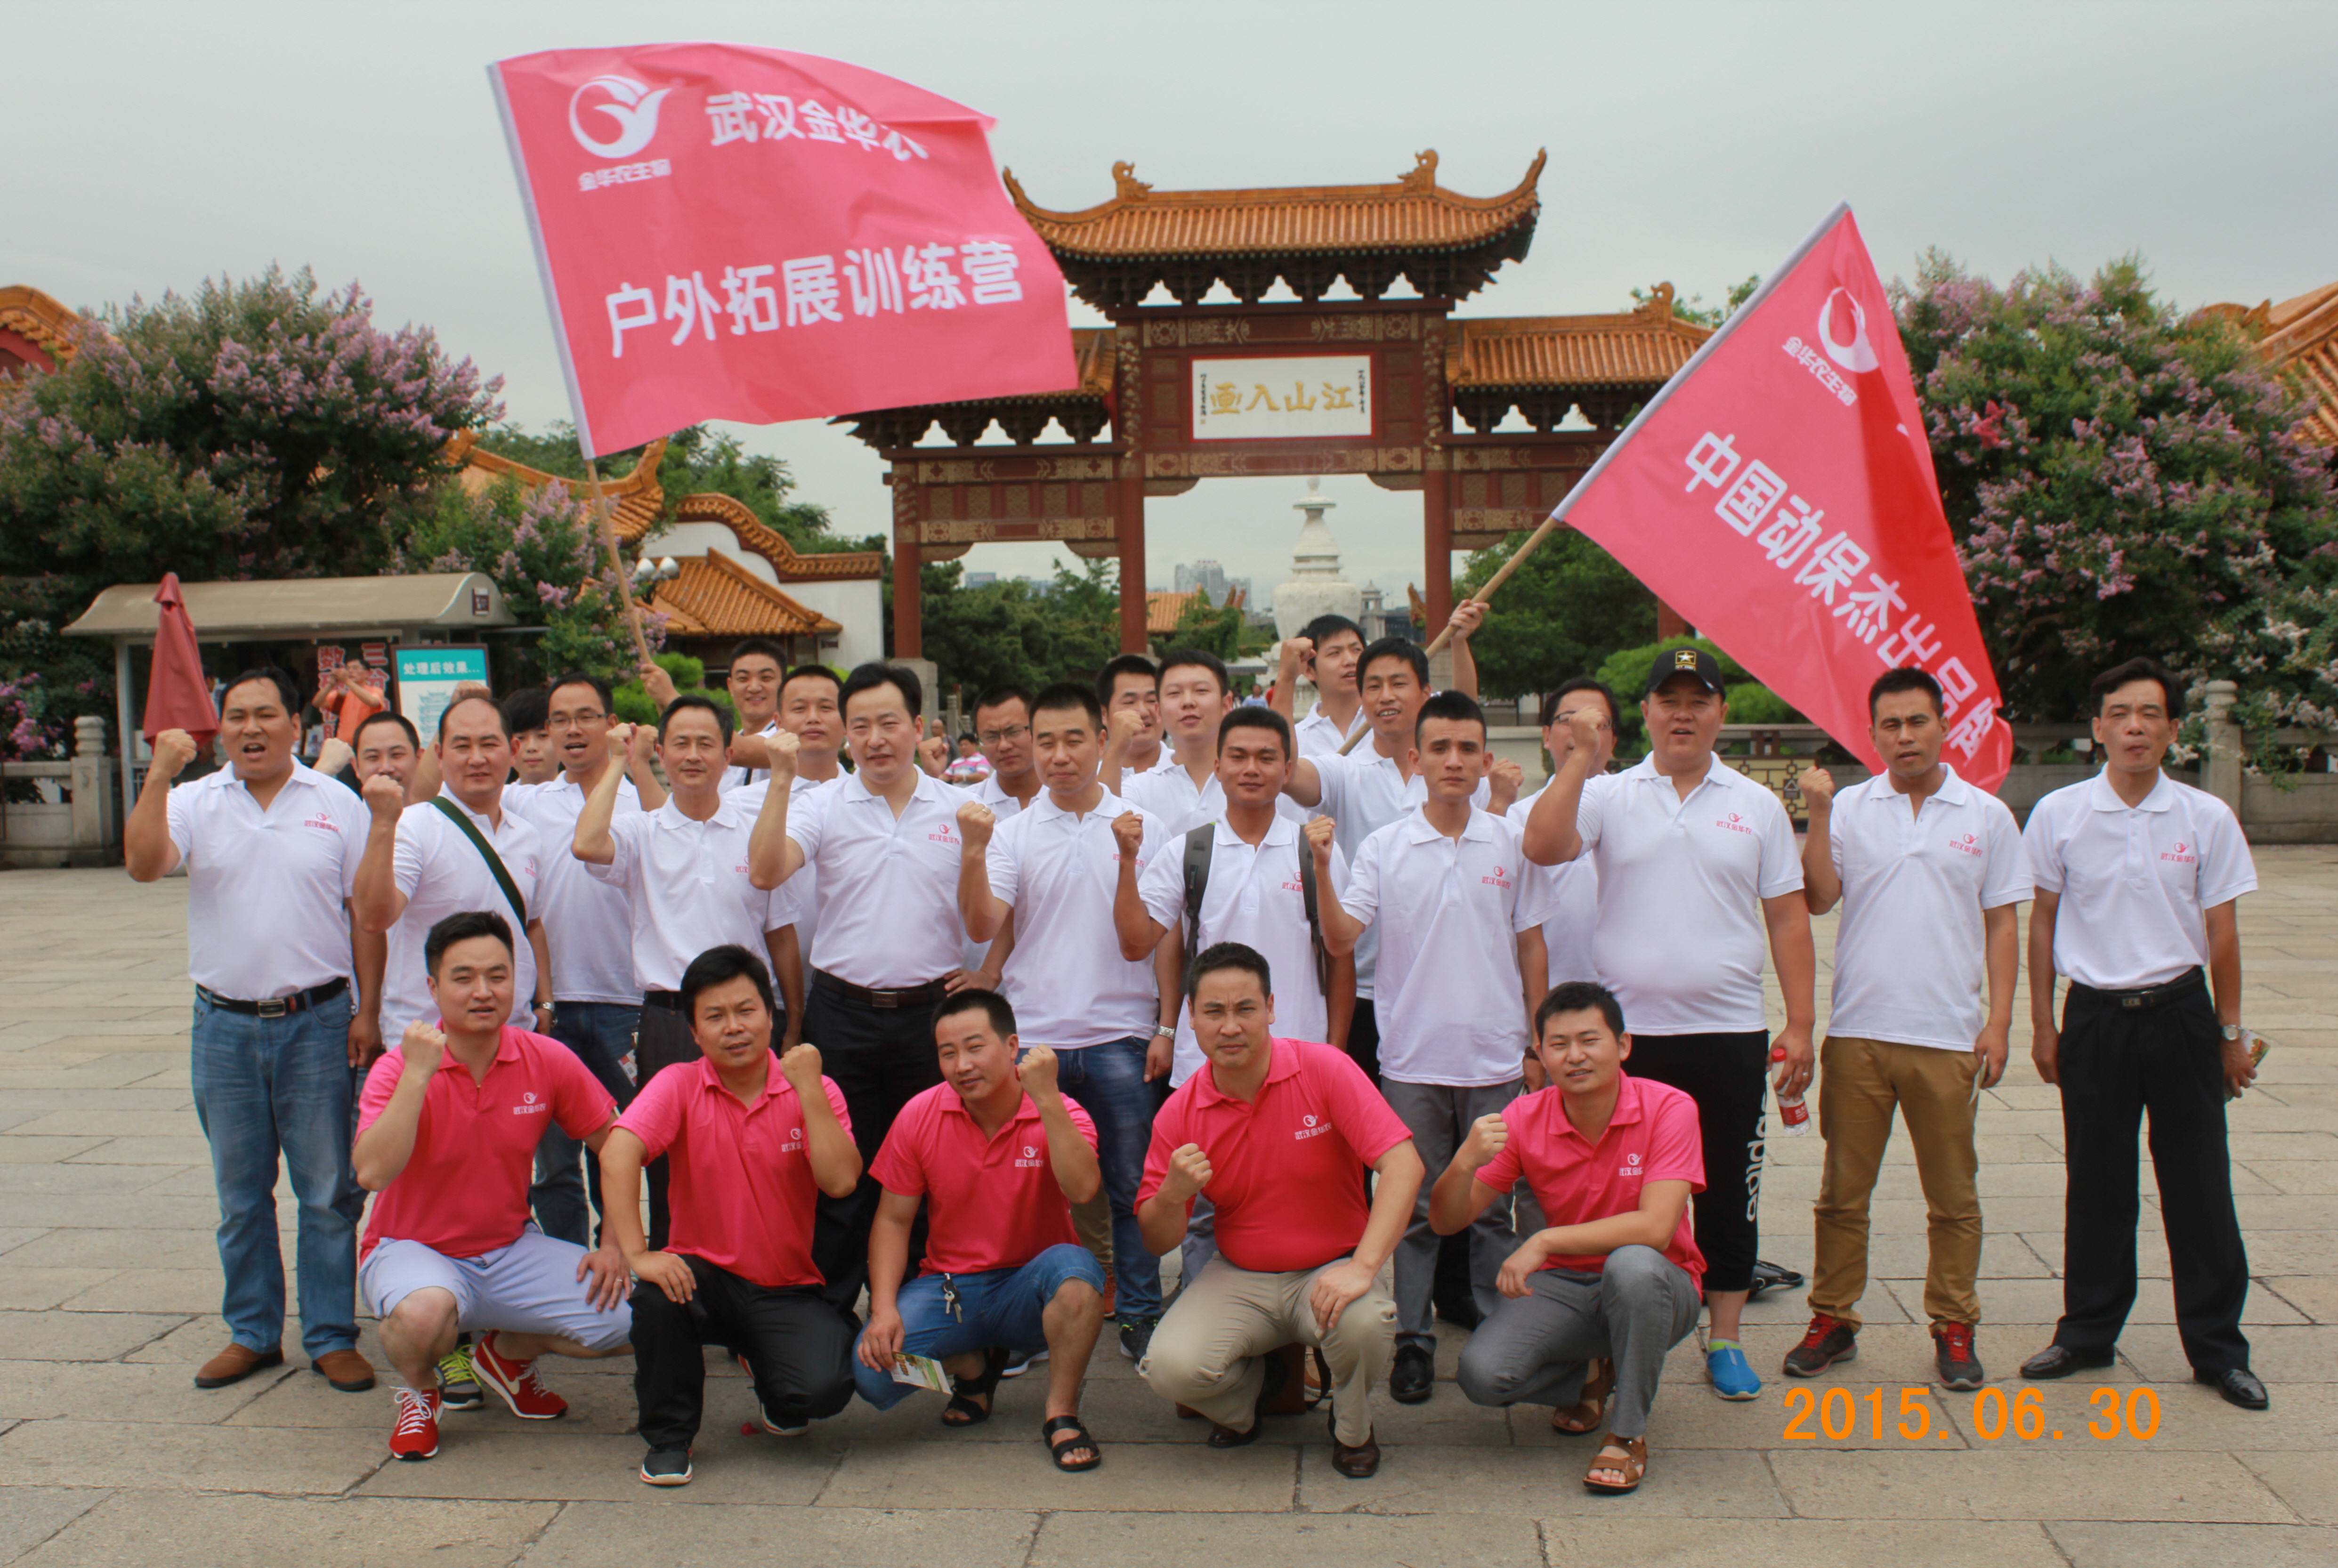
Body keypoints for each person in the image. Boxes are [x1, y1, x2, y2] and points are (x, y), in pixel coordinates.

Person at [1520, 646, 1818, 1400]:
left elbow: (1787, 917)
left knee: (1729, 1190)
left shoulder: (1755, 804)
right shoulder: (1608, 794)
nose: (1683, 714)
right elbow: (1542, 846)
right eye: (1668, 700)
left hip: (1729, 1031)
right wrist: (1577, 759)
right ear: (1646, 711)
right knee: (1619, 1196)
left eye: (1698, 700)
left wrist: (1802, 1021)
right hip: (1631, 1039)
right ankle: (1612, 1339)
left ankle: (1726, 1337)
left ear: (1720, 711)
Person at [2018, 658, 2265, 1410]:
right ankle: (2088, 1332)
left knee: (2199, 1183)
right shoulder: (2060, 813)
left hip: (2182, 1013)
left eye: (2150, 713)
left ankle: (2218, 1348)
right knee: (2097, 1182)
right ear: (2097, 727)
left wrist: (2230, 1032)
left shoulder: (2204, 817)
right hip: (2094, 1016)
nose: (2135, 727)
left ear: (2173, 729)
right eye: (2120, 713)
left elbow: (2222, 932)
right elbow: (2043, 921)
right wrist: (2043, 1023)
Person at [124, 667, 375, 1395]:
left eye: (267, 714)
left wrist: (368, 1011)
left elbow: (366, 914)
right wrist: (159, 773)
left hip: (318, 1021)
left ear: (298, 725)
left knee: (327, 1190)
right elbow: (143, 866)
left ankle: (331, 1333)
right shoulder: (192, 800)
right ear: (221, 729)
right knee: (240, 1193)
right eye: (236, 716)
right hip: (224, 1027)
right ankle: (254, 1332)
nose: (251, 728)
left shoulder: (337, 802)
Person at [1788, 668, 2029, 1390]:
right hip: (1859, 1030)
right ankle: (1832, 1316)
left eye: (1917, 721)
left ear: (1944, 725)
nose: (1904, 736)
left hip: (1948, 1034)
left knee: (1953, 1196)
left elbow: (2002, 923)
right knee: (1841, 1192)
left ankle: (1954, 1322)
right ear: (1871, 734)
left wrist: (1999, 1021)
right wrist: (1819, 815)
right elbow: (1818, 898)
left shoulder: (1986, 815)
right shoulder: (1852, 807)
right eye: (1890, 725)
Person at [1313, 689, 1551, 1404]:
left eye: (1467, 748)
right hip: (1412, 1058)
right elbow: (1341, 939)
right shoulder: (1384, 847)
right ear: (1415, 759)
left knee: (1491, 1208)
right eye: (1439, 748)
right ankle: (1412, 1337)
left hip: (1495, 1056)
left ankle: (1501, 1332)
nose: (1453, 760)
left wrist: (1536, 1040)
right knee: (1413, 1208)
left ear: (1485, 759)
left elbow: (1531, 945)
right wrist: (1322, 867)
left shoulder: (1509, 843)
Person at [744, 663, 992, 1311]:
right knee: (838, 1173)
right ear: (846, 735)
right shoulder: (822, 804)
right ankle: (827, 1319)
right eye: (861, 726)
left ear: (919, 726)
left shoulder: (960, 810)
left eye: (889, 723)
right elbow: (765, 872)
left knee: (932, 1167)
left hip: (930, 1019)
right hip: (843, 1013)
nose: (876, 739)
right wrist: (780, 778)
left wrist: (973, 851)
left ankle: (928, 1313)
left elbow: (979, 924)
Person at [352, 911, 633, 1462]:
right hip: (411, 1249)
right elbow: (372, 1173)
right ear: (433, 987)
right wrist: (418, 1075)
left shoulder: (545, 1057)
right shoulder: (399, 1067)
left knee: (632, 1319)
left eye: (498, 976)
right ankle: (421, 1391)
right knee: (424, 1315)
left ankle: (504, 1357)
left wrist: (615, 1243)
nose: (483, 991)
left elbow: (618, 1144)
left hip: (508, 1248)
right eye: (463, 978)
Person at [1136, 943, 1423, 1479]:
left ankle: (1353, 1430)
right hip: (1240, 1273)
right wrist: (1173, 1194)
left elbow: (1404, 1166)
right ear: (1191, 1017)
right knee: (1169, 1370)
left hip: (1331, 1267)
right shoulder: (1181, 1111)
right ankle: (1252, 1401)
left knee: (1367, 1323)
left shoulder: (1323, 1069)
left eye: (1245, 1008)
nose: (1230, 1027)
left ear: (1270, 1008)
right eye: (1214, 1011)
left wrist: (1363, 1267)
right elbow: (1156, 1240)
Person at [959, 683, 1173, 1362]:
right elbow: (982, 924)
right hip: (1035, 1040)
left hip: (1120, 1034)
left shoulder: (1144, 825)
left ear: (1102, 740)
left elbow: (1167, 937)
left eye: (1073, 739)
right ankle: (1029, 1321)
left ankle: (1139, 1315)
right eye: (1044, 741)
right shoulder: (1012, 833)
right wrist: (972, 852)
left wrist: (1167, 1026)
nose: (1058, 755)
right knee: (1027, 1189)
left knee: (1131, 1185)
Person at [600, 944, 862, 1484]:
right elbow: (618, 1152)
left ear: (771, 1016)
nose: (734, 1028)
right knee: (656, 1298)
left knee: (822, 1391)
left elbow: (840, 1181)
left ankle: (765, 1367)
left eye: (746, 1011)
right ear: (695, 1033)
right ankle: (670, 1438)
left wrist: (809, 1090)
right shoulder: (679, 1083)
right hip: (701, 1277)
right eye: (715, 1017)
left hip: (785, 1284)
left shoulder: (813, 1088)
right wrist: (638, 1253)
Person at [1115, 705, 1358, 1281]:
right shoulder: (1188, 852)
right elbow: (1137, 943)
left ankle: (1302, 1315)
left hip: (1299, 1062)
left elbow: (1339, 955)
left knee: (1304, 1197)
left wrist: (1335, 1049)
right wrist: (1126, 863)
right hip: (1208, 1066)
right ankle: (1209, 1313)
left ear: (1287, 769)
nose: (1252, 769)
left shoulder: (1313, 849)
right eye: (1240, 757)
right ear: (1219, 766)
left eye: (1267, 758)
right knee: (1206, 1204)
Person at [1436, 982, 1706, 1495]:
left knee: (1632, 1265)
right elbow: (1448, 1221)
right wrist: (1463, 1162)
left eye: (1589, 1040)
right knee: (1482, 1376)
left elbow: (1655, 1228)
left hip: (1659, 1286)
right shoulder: (1524, 1116)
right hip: (1565, 1284)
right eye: (1558, 1045)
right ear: (1540, 1054)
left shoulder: (1669, 1107)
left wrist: (1544, 1241)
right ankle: (1590, 1374)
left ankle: (1627, 1434)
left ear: (1622, 1045)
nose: (1575, 1056)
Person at [573, 697, 801, 1244]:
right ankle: (672, 1269)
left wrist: (794, 1019)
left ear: (728, 755)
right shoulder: (641, 832)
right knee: (669, 1157)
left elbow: (780, 932)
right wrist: (617, 760)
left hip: (750, 1017)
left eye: (706, 744)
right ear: (661, 753)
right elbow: (587, 844)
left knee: (756, 1153)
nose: (693, 756)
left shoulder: (756, 830)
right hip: (670, 1021)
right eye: (680, 744)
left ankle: (758, 1268)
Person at [852, 989, 1109, 1471]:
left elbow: (1083, 1189)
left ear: (1012, 1047)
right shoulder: (920, 1114)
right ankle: (971, 1368)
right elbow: (892, 1220)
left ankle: (1061, 1413)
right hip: (951, 1288)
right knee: (870, 1374)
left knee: (1077, 1273)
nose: (962, 1065)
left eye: (975, 1047)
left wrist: (1047, 1099)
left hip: (1032, 1287)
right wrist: (883, 1309)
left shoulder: (1060, 1111)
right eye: (948, 1053)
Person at [1282, 619, 1500, 1086]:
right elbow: (1286, 771)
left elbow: (1468, 711)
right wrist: (1285, 679)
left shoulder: (1458, 776)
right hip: (1361, 982)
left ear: (1426, 693)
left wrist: (1461, 643)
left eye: (1399, 684)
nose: (1386, 697)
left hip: (1447, 984)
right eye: (1374, 686)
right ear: (1361, 698)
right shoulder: (1344, 772)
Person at [505, 672, 665, 1251]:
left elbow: (671, 833)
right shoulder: (524, 800)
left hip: (627, 1003)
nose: (573, 730)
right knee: (553, 1159)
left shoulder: (638, 794)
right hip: (550, 1007)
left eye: (586, 717)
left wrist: (635, 762)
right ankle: (564, 1267)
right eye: (560, 720)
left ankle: (622, 1258)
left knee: (629, 1144)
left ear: (611, 724)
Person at [353, 694, 553, 1046]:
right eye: (462, 746)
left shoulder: (527, 836)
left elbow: (532, 925)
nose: (477, 758)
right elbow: (373, 918)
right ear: (440, 755)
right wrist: (383, 824)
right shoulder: (412, 827)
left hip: (513, 1036)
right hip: (427, 1040)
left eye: (489, 744)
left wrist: (545, 1003)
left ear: (513, 750)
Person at [731, 664, 851, 1044]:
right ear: (779, 723)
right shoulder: (739, 805)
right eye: (800, 708)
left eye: (826, 707)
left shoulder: (873, 802)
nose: (813, 718)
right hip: (769, 1000)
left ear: (848, 721)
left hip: (853, 997)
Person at [1511, 680, 1618, 989]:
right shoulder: (1518, 819)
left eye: (1597, 722)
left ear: (1613, 741)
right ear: (1546, 736)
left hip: (1626, 997)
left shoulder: (1637, 807)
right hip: (1549, 996)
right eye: (1570, 720)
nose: (1584, 730)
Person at [1115, 648, 1238, 831]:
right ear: (1158, 711)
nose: (1188, 702)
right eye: (1174, 693)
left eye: (1201, 690)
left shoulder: (1252, 779)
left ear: (1226, 704)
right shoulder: (1137, 789)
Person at [1271, 613, 1370, 758]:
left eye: (1357, 650)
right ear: (1310, 671)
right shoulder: (1298, 738)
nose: (1350, 661)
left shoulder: (1388, 724)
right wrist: (1286, 678)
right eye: (1335, 653)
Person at [1098, 653, 1166, 777]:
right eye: (1129, 702)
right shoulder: (1087, 780)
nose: (1143, 712)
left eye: (1151, 700)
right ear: (1104, 714)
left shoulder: (1189, 770)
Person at [502, 687, 558, 787]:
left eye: (543, 736)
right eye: (520, 738)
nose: (531, 747)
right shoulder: (498, 797)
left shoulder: (584, 794)